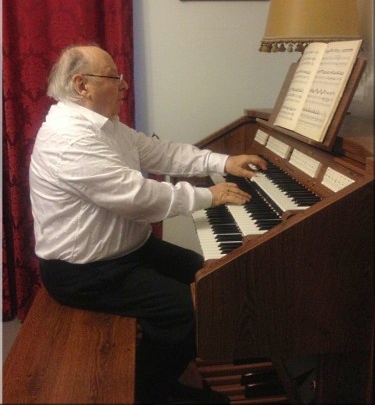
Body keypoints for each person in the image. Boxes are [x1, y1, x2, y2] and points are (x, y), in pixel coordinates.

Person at [29, 44, 267, 404]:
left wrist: (223, 162)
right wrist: (210, 196)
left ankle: (217, 355)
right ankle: (153, 390)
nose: (124, 86)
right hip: (85, 271)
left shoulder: (105, 126)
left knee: (211, 276)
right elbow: (137, 198)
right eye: (114, 77)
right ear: (82, 85)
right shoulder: (68, 139)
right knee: (183, 311)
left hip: (130, 251)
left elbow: (161, 152)